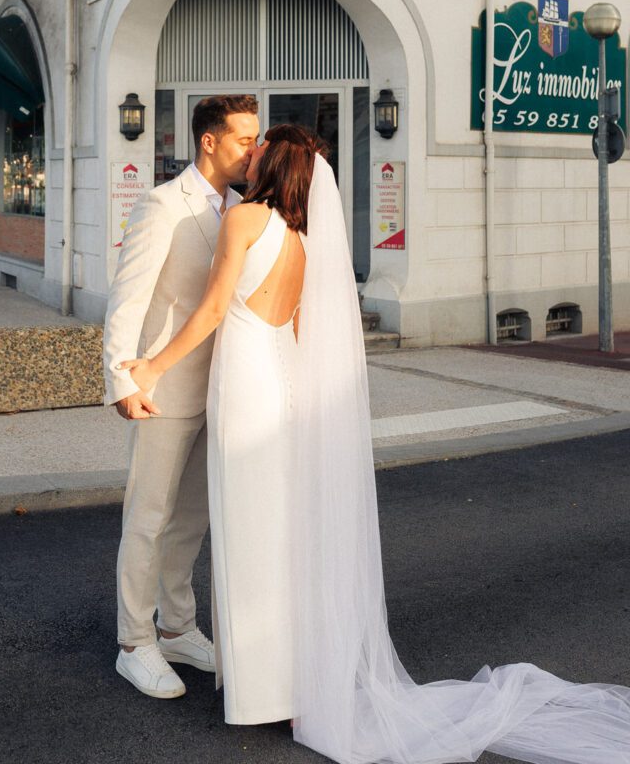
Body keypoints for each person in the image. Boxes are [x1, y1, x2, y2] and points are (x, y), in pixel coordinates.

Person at [124, 123, 630, 763]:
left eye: (257, 149)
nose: (247, 156)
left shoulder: (245, 219)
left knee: (249, 531)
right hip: (281, 384)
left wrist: (152, 366)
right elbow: (305, 327)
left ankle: (261, 692)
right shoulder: (305, 237)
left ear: (272, 162)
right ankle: (296, 682)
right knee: (282, 536)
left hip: (246, 384)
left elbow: (213, 310)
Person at [103, 94, 260, 701]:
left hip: (221, 388)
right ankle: (134, 643)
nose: (254, 149)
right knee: (148, 518)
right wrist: (123, 379)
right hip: (162, 390)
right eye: (245, 139)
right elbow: (128, 299)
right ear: (210, 141)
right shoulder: (163, 204)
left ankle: (177, 627)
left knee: (192, 519)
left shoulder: (244, 209)